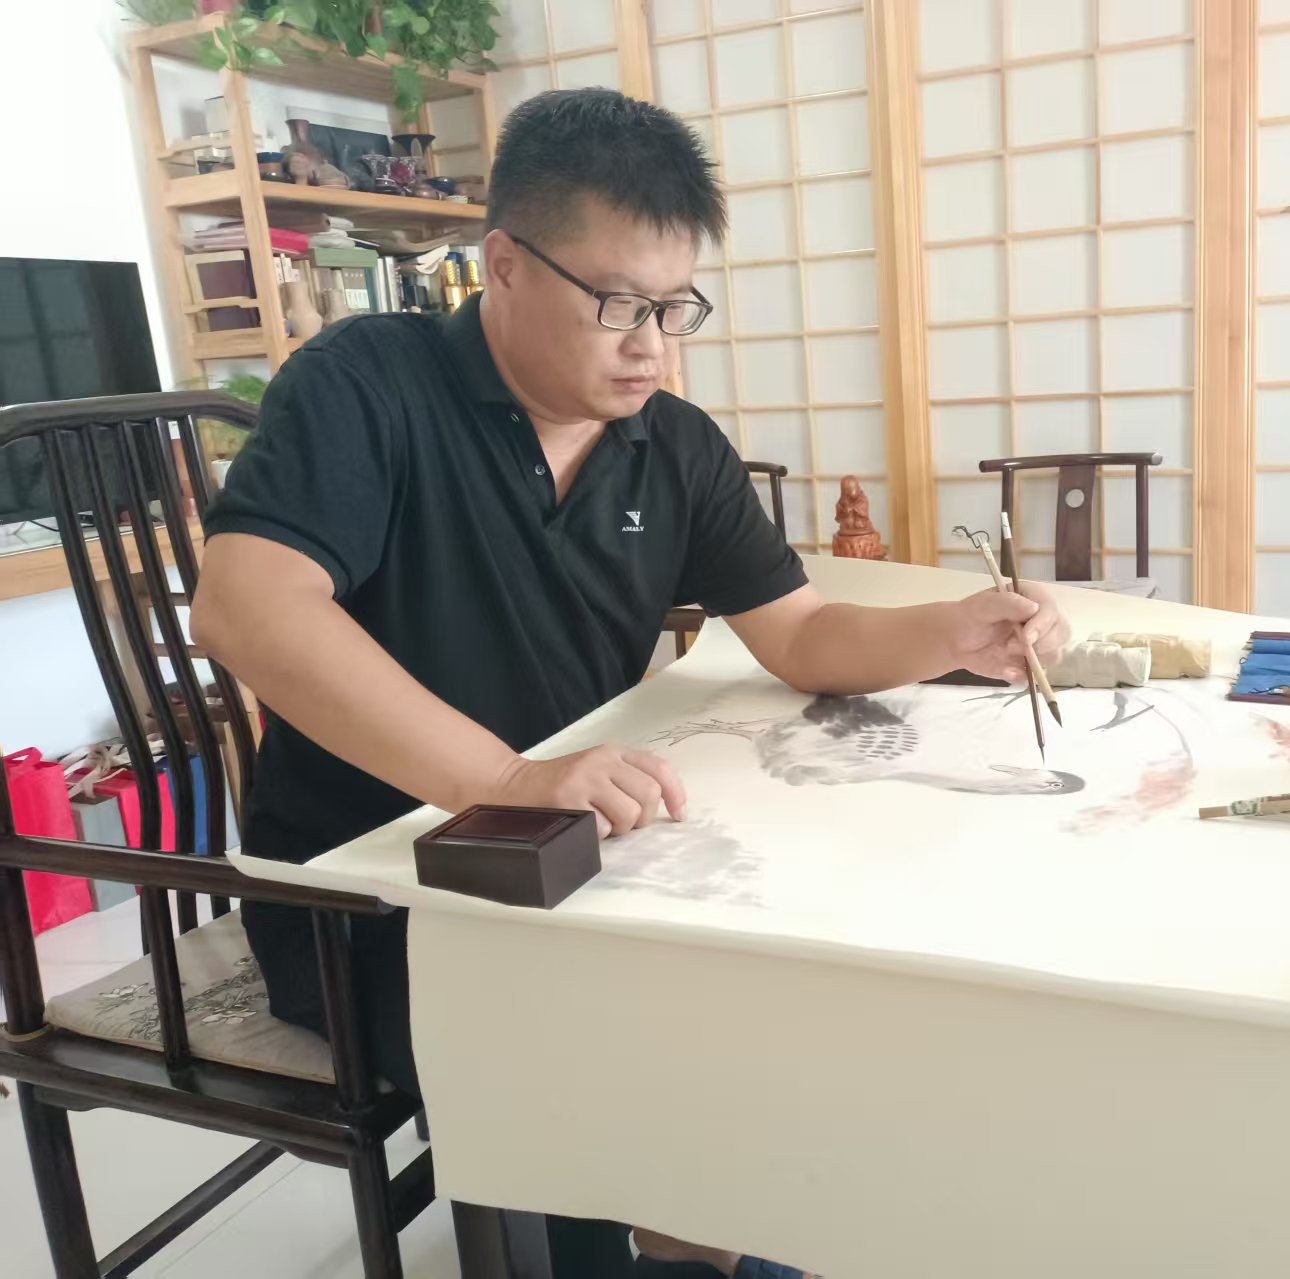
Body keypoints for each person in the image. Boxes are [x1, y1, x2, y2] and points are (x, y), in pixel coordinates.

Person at [191, 87, 1067, 1278]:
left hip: (592, 858)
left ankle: (710, 1225)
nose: (652, 343)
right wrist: (506, 779)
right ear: (504, 265)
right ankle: (658, 1230)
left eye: (674, 306)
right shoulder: (366, 384)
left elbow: (802, 633)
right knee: (606, 1077)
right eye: (617, 303)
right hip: (377, 892)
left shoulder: (674, 443)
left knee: (810, 994)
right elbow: (248, 609)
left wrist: (952, 629)